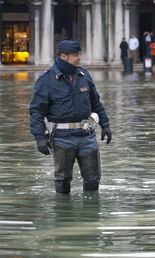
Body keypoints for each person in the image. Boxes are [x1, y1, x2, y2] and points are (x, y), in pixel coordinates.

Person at [29, 40, 112, 194]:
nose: (79, 58)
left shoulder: (84, 75)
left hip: (86, 135)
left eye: (79, 54)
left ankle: (91, 213)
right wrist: (39, 137)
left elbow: (96, 102)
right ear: (63, 56)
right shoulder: (46, 80)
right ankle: (62, 213)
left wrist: (105, 124)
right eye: (75, 55)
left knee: (93, 178)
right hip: (62, 138)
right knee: (63, 180)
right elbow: (36, 111)